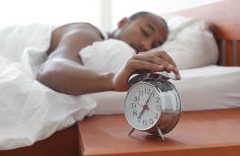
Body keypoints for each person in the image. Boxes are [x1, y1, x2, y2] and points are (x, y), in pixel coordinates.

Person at [36, 11, 181, 95]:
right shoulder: (85, 33)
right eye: (145, 32)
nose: (146, 45)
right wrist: (112, 81)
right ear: (123, 23)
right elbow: (47, 70)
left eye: (155, 45)